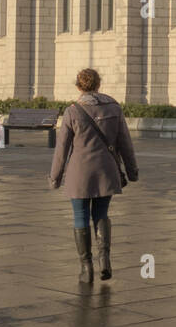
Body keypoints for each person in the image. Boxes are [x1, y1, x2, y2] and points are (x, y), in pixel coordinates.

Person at [49, 68, 138, 283]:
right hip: (106, 170)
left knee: (80, 217)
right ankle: (104, 261)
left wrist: (55, 178)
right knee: (101, 214)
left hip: (80, 172)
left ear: (79, 86)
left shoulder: (73, 111)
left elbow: (62, 149)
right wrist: (132, 171)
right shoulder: (114, 107)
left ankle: (86, 268)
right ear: (98, 85)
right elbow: (125, 142)